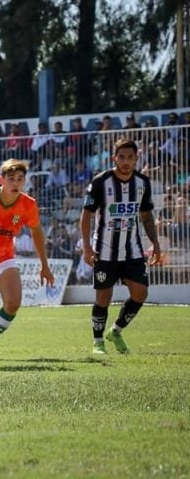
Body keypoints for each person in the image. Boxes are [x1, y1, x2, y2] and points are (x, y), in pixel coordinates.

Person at [80, 137, 162, 356]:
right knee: (103, 298)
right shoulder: (100, 181)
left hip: (132, 250)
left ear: (137, 158)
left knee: (141, 293)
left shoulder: (142, 183)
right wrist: (87, 247)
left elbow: (146, 215)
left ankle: (116, 331)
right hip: (104, 250)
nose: (126, 161)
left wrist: (155, 244)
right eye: (122, 157)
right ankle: (98, 341)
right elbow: (86, 215)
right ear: (114, 157)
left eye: (130, 157)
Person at [0, 159, 55, 360]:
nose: (16, 183)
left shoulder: (28, 205)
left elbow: (37, 232)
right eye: (11, 179)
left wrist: (44, 266)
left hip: (3, 257)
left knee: (13, 303)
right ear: (1, 180)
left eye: (20, 179)